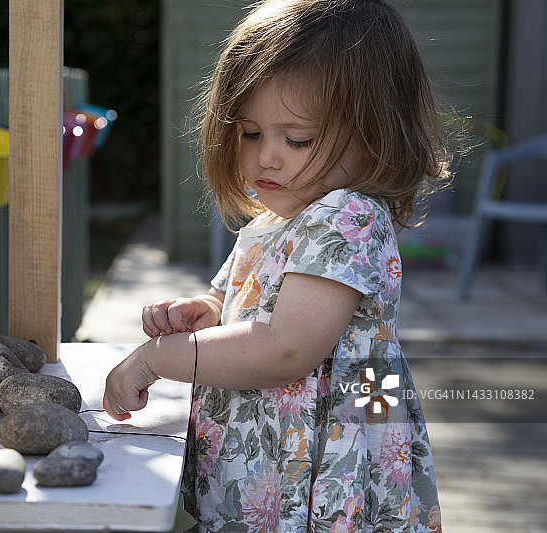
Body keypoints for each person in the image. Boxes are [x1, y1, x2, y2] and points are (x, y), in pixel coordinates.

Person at [104, 0, 450, 531]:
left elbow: (285, 347)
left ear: (375, 136)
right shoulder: (273, 223)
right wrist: (205, 313)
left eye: (297, 139)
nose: (266, 155)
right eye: (250, 133)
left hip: (321, 489)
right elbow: (238, 303)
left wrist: (156, 358)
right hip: (269, 481)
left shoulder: (346, 217)